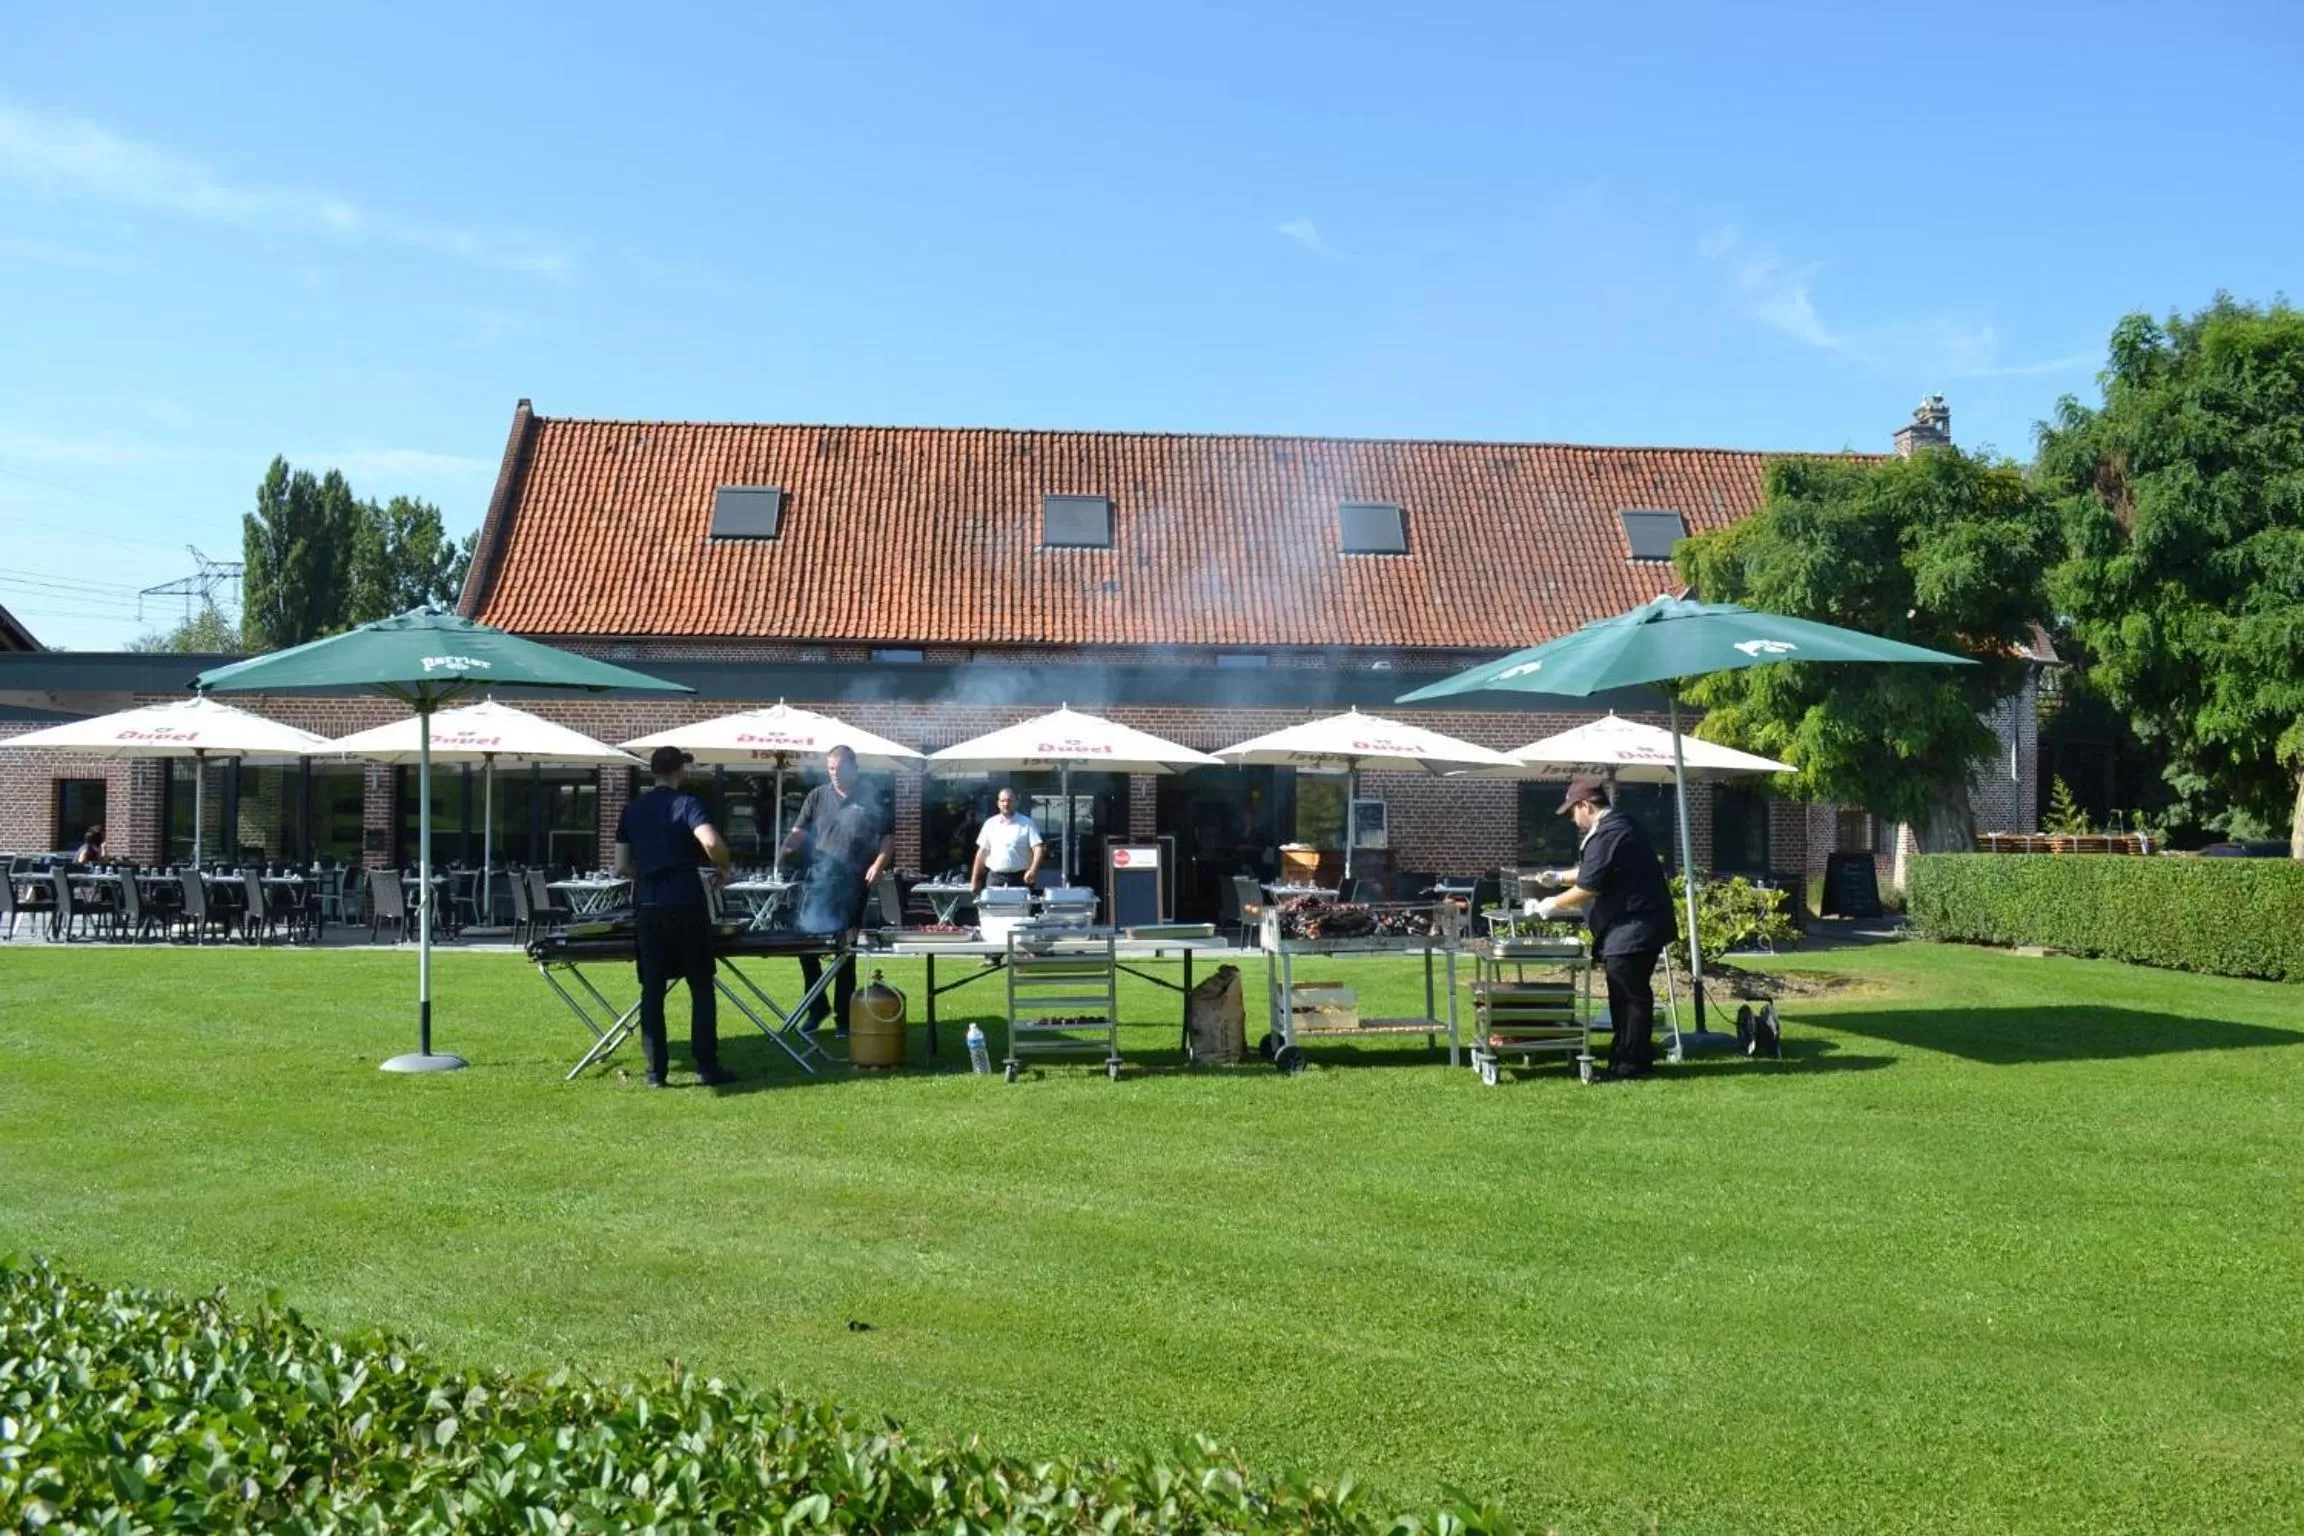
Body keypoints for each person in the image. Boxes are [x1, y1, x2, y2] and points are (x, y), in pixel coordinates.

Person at [1533, 776, 1674, 1080]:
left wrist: (1552, 903)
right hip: (1628, 927)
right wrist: (1559, 878)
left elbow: (1590, 886)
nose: (1573, 819)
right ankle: (1626, 1057)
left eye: (1573, 812)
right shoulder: (1616, 827)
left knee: (1630, 996)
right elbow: (1593, 870)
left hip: (1636, 926)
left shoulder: (1612, 831)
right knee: (1622, 996)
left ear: (1586, 805)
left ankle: (1631, 1065)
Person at [613, 746, 736, 1087]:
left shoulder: (631, 810)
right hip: (686, 902)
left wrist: (651, 873)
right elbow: (710, 841)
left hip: (649, 906)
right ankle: (708, 1067)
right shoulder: (688, 804)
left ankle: (656, 1073)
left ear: (653, 772)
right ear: (680, 770)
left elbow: (621, 866)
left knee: (652, 991)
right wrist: (724, 865)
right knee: (700, 987)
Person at [780, 743, 892, 1033]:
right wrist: (784, 853)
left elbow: (886, 839)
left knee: (845, 950)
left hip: (854, 883)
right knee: (807, 946)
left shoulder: (870, 797)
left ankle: (844, 1017)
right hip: (819, 880)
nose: (835, 775)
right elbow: (797, 832)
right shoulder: (817, 796)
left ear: (854, 768)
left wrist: (878, 864)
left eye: (840, 769)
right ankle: (817, 1009)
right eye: (830, 769)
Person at [969, 787, 1044, 893]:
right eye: (1003, 801)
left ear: (1016, 803)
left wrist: (1033, 870)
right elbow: (981, 853)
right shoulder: (990, 824)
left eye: (1009, 801)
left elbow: (1038, 849)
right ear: (998, 803)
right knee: (993, 909)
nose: (1006, 804)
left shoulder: (1027, 823)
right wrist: (974, 880)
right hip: (995, 879)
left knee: (1022, 909)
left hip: (1021, 879)